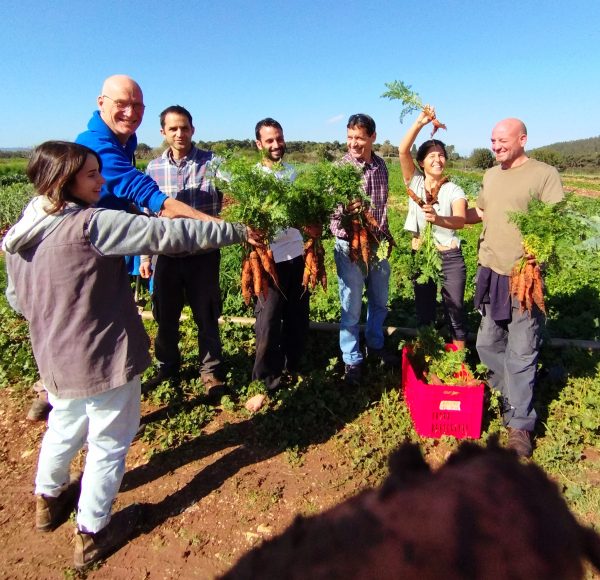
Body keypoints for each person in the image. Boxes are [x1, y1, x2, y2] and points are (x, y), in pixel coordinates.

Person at [2, 141, 258, 569]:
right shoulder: (92, 224)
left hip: (52, 355)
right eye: (90, 175)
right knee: (108, 441)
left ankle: (48, 500)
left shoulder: (21, 232)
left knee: (64, 423)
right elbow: (167, 234)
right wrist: (234, 231)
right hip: (101, 354)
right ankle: (93, 532)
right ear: (63, 181)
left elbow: (18, 302)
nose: (102, 181)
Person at [25, 75, 219, 420]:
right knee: (84, 318)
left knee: (104, 317)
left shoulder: (126, 142)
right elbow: (146, 196)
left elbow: (126, 203)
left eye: (137, 106)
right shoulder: (99, 145)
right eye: (121, 104)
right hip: (84, 248)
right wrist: (218, 228)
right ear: (101, 103)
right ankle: (66, 396)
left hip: (119, 248)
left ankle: (69, 394)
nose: (130, 113)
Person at [466, 118, 564, 458]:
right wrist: (443, 215)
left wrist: (540, 255)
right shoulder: (491, 175)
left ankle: (520, 424)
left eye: (502, 140)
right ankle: (513, 393)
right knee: (487, 342)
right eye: (492, 140)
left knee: (521, 349)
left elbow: (555, 225)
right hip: (491, 270)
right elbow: (479, 211)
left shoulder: (543, 174)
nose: (496, 146)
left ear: (522, 139)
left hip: (524, 276)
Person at [140, 105, 226, 399]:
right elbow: (148, 217)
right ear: (163, 132)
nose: (180, 134)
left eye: (184, 127)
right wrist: (146, 256)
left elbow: (237, 191)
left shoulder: (213, 163)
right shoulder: (153, 168)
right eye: (173, 129)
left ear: (193, 129)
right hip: (168, 256)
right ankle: (167, 365)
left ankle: (210, 371)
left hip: (203, 256)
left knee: (207, 314)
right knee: (165, 314)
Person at [330, 114, 398, 387]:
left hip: (378, 243)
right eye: (349, 137)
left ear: (372, 137)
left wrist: (384, 235)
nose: (353, 143)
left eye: (359, 137)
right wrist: (346, 210)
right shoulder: (340, 168)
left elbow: (381, 207)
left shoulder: (381, 165)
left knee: (380, 300)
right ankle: (352, 359)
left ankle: (375, 343)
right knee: (351, 305)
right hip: (350, 244)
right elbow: (331, 212)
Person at [398, 106, 468, 349]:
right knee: (425, 313)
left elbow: (459, 220)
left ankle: (458, 363)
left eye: (441, 155)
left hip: (449, 255)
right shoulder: (414, 181)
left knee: (455, 312)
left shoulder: (454, 189)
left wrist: (437, 219)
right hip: (421, 255)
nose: (438, 160)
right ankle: (427, 357)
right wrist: (420, 122)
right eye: (432, 156)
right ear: (421, 162)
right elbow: (402, 150)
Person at [251, 118, 311, 393]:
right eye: (270, 140)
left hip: (297, 255)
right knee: (269, 318)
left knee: (298, 314)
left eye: (279, 138)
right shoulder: (251, 179)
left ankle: (294, 364)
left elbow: (303, 216)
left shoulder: (293, 174)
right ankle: (265, 377)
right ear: (259, 144)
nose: (276, 145)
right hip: (268, 258)